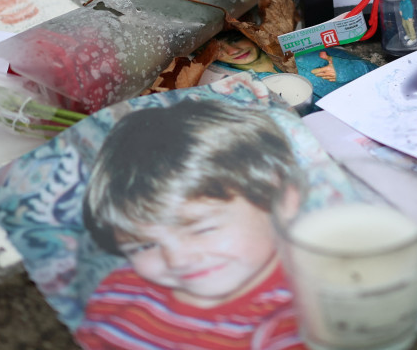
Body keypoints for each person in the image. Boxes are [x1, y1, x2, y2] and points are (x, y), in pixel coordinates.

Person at [76, 99, 303, 350]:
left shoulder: (301, 314)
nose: (177, 261)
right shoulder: (118, 290)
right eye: (143, 246)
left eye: (201, 230)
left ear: (284, 201)